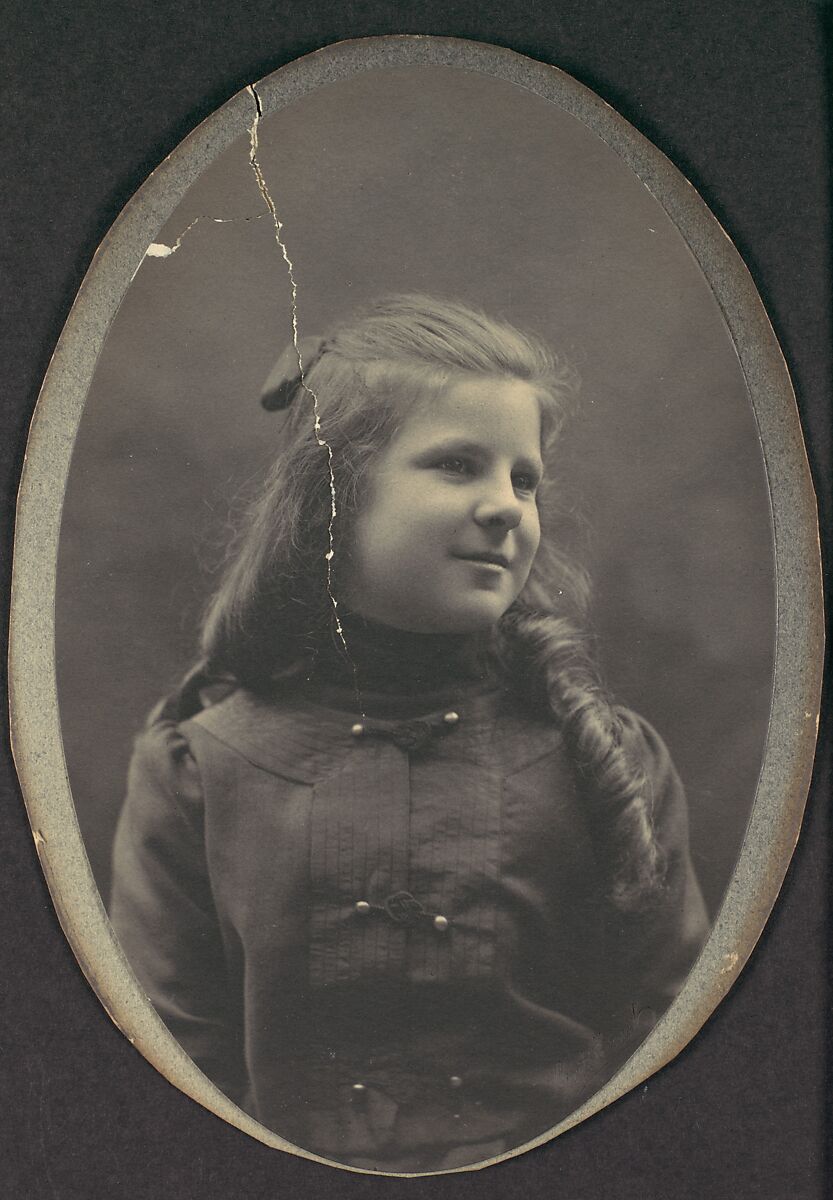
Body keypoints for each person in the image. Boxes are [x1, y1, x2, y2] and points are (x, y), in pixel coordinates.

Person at [110, 294, 709, 1172]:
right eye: (458, 465)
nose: (506, 506)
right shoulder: (202, 767)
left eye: (524, 478)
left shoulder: (602, 758)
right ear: (334, 498)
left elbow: (675, 1053)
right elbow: (168, 1074)